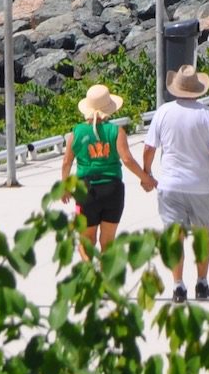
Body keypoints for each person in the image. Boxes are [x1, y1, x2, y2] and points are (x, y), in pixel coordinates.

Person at [141, 66, 209, 302]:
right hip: (200, 185)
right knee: (202, 236)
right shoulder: (208, 114)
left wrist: (147, 173)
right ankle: (202, 283)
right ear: (197, 90)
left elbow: (149, 148)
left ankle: (178, 286)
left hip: (170, 185)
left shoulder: (163, 112)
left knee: (174, 237)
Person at [59, 83, 152, 255]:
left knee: (87, 240)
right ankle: (105, 279)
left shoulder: (76, 132)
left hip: (84, 190)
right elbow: (127, 159)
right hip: (112, 189)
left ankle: (89, 275)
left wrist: (64, 187)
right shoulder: (116, 131)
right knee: (108, 242)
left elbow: (66, 162)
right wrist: (146, 178)